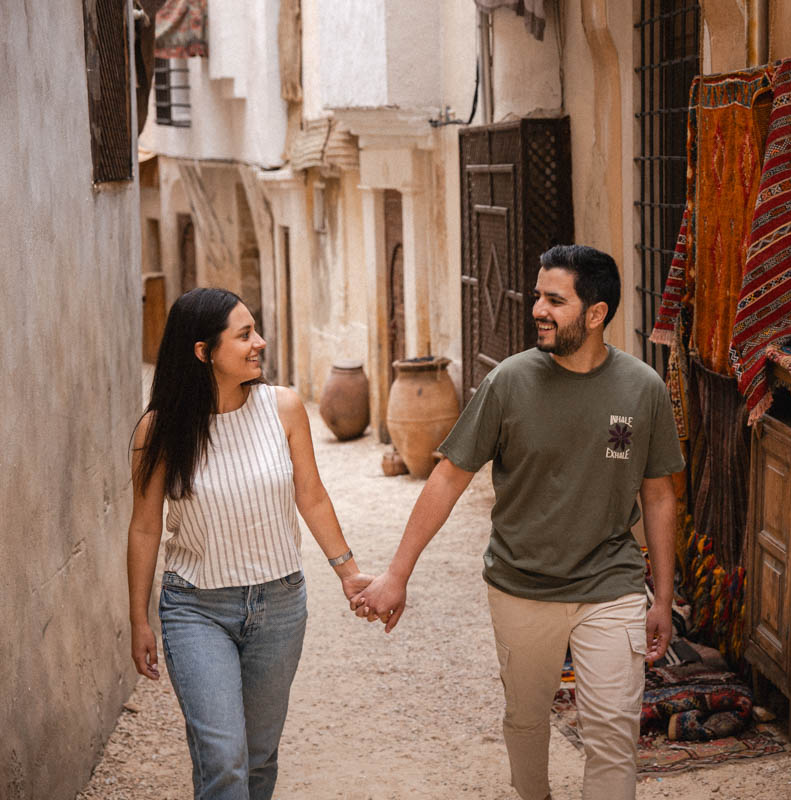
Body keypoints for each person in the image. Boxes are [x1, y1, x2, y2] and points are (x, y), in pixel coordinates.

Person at [353, 245, 684, 800]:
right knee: (527, 720)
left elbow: (658, 495)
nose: (537, 310)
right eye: (537, 296)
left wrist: (663, 598)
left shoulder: (642, 387)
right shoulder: (508, 382)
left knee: (614, 736)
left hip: (611, 583)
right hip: (521, 585)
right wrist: (396, 574)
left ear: (596, 313)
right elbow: (448, 478)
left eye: (555, 300)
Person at [126, 287, 372, 800]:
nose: (259, 342)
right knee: (223, 759)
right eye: (244, 335)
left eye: (255, 330)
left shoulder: (283, 408)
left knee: (258, 758)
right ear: (203, 352)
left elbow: (312, 496)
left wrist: (349, 574)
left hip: (280, 606)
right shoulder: (159, 430)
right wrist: (139, 620)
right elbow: (145, 527)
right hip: (196, 608)